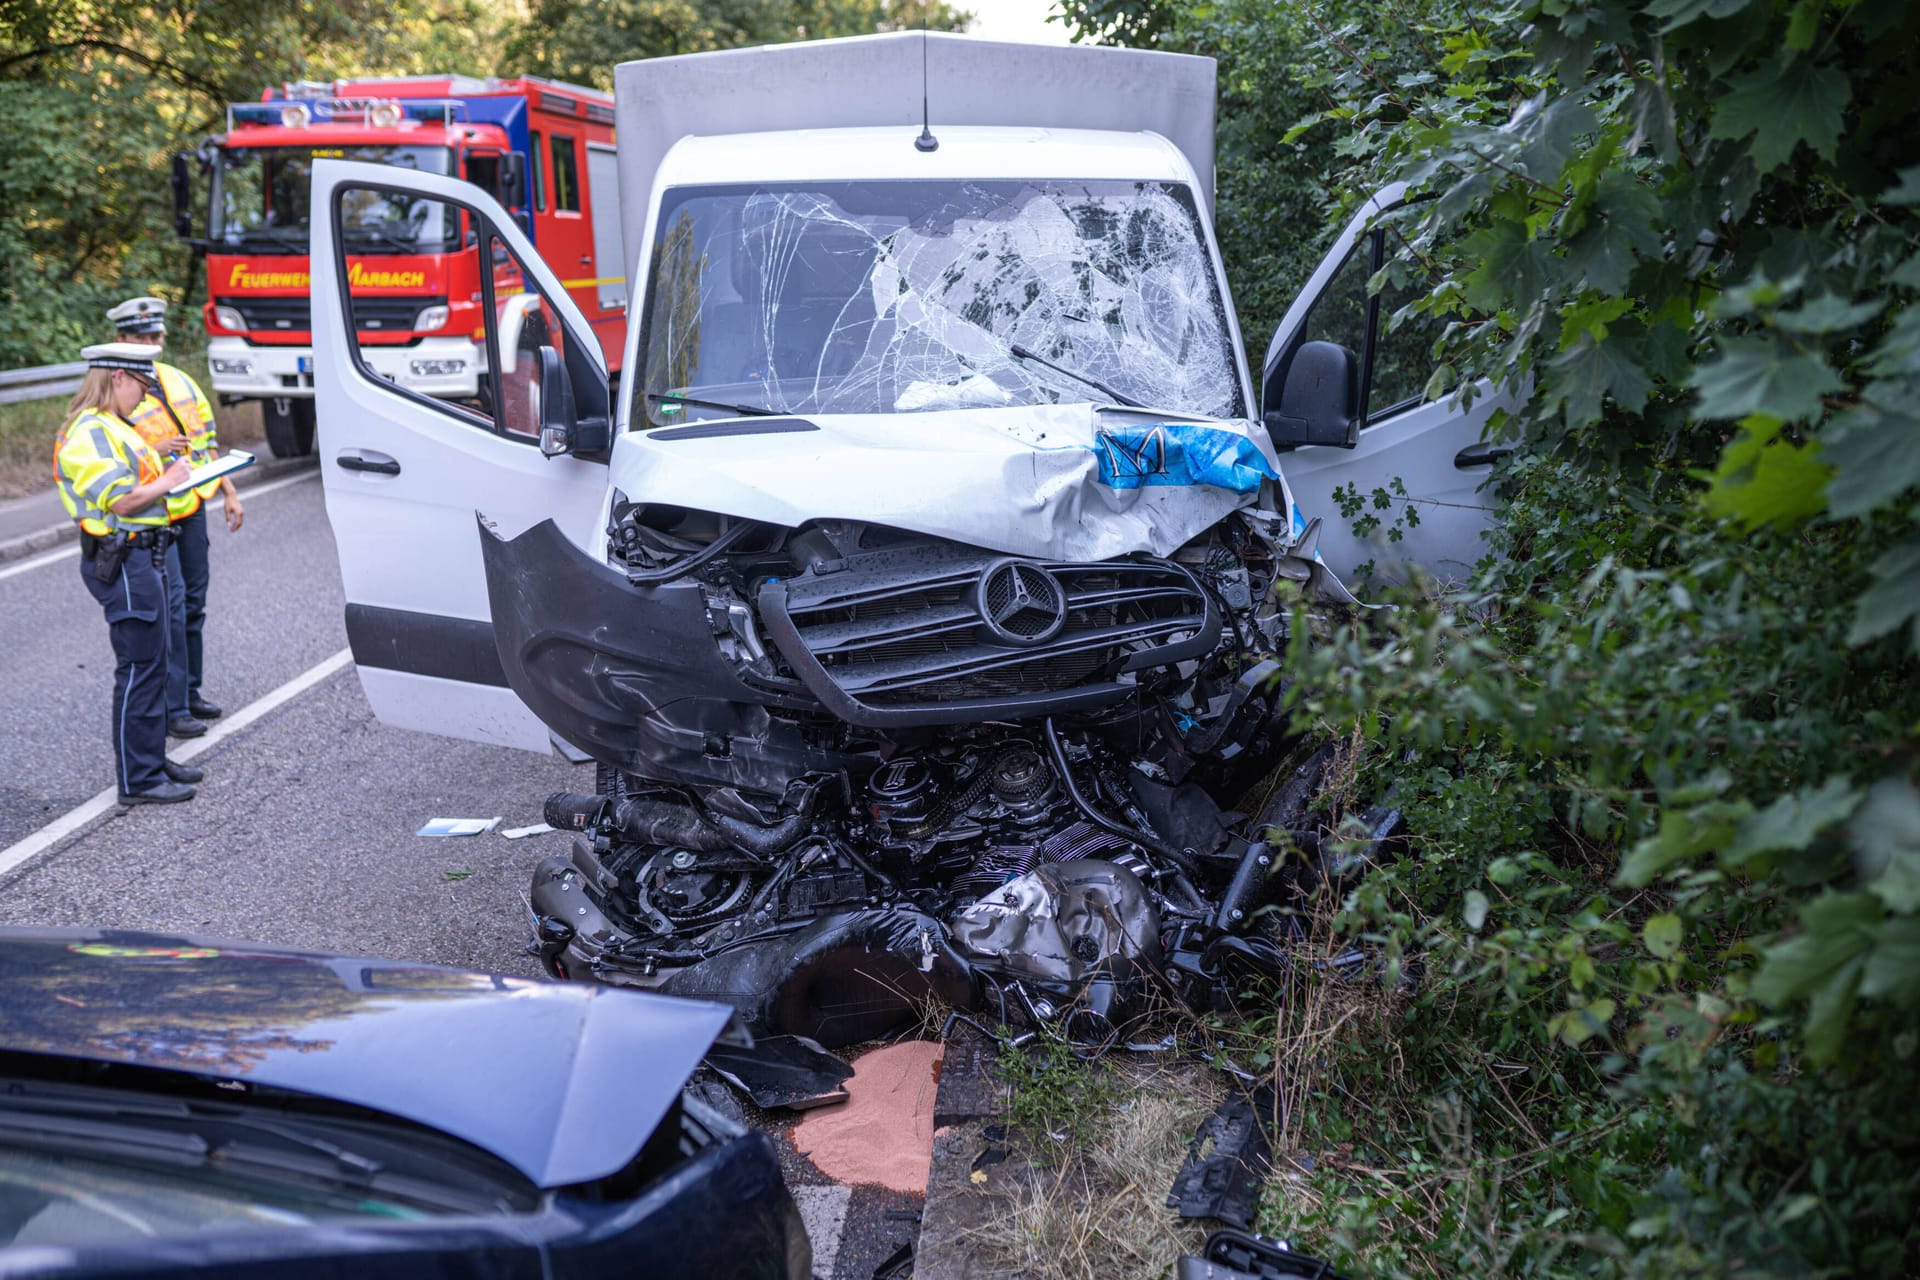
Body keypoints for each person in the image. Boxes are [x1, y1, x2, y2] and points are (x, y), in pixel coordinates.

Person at [53, 344, 201, 804]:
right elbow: (122, 501)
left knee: (154, 664)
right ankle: (138, 780)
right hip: (123, 559)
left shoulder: (116, 426)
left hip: (143, 556)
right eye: (141, 387)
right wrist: (171, 479)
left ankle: (152, 760)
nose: (144, 397)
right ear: (118, 377)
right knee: (138, 668)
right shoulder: (90, 431)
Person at [107, 296, 242, 738]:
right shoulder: (115, 392)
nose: (152, 343)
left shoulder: (180, 381)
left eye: (155, 336)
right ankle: (172, 706)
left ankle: (190, 691)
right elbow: (113, 453)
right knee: (174, 608)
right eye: (141, 337)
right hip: (155, 514)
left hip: (193, 505)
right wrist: (156, 452)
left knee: (195, 603)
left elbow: (206, 443)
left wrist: (229, 490)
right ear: (121, 339)